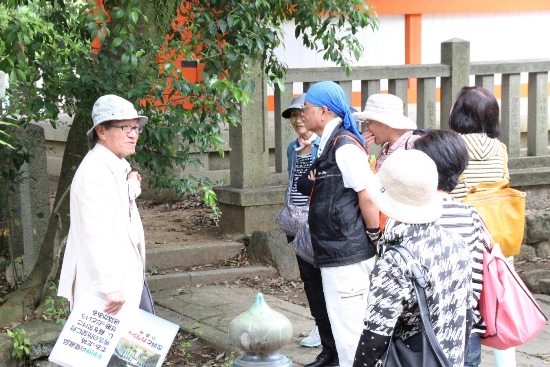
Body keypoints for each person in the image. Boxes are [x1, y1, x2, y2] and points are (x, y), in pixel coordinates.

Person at [353, 149, 472, 367]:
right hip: (449, 359)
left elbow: (375, 337)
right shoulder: (456, 243)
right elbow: (466, 312)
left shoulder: (396, 260)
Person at [302, 81, 379, 367]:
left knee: (350, 334)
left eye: (307, 108)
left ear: (323, 111)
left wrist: (374, 236)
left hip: (346, 254)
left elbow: (366, 194)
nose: (303, 115)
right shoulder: (330, 144)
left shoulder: (344, 147)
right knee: (347, 327)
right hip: (337, 251)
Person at [58, 94, 153, 315]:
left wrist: (132, 186)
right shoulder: (94, 173)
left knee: (136, 343)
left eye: (136, 128)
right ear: (101, 131)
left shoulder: (114, 165)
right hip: (108, 287)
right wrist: (110, 287)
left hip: (126, 272)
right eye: (124, 128)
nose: (133, 135)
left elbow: (116, 203)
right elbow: (95, 234)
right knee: (109, 346)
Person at [448, 85, 516, 366]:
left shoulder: (452, 147)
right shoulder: (500, 150)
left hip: (461, 241)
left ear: (460, 114)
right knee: (499, 309)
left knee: (465, 312)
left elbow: (446, 193)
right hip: (496, 242)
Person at [414, 130, 487, 367]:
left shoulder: (407, 217)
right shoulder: (471, 216)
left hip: (420, 334)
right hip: (465, 328)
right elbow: (477, 275)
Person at [280, 93, 339, 366]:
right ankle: (326, 342)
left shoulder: (326, 145)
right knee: (309, 282)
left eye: (301, 113)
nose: (297, 119)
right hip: (295, 222)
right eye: (292, 115)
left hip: (317, 221)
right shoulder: (293, 147)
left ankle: (333, 341)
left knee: (326, 280)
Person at [449, 86, 510, 200]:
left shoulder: (449, 147)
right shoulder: (501, 149)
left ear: (459, 113)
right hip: (493, 214)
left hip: (458, 214)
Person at [352, 93, 418, 171]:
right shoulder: (386, 146)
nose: (366, 129)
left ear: (384, 122)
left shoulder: (412, 146)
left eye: (368, 122)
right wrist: (364, 154)